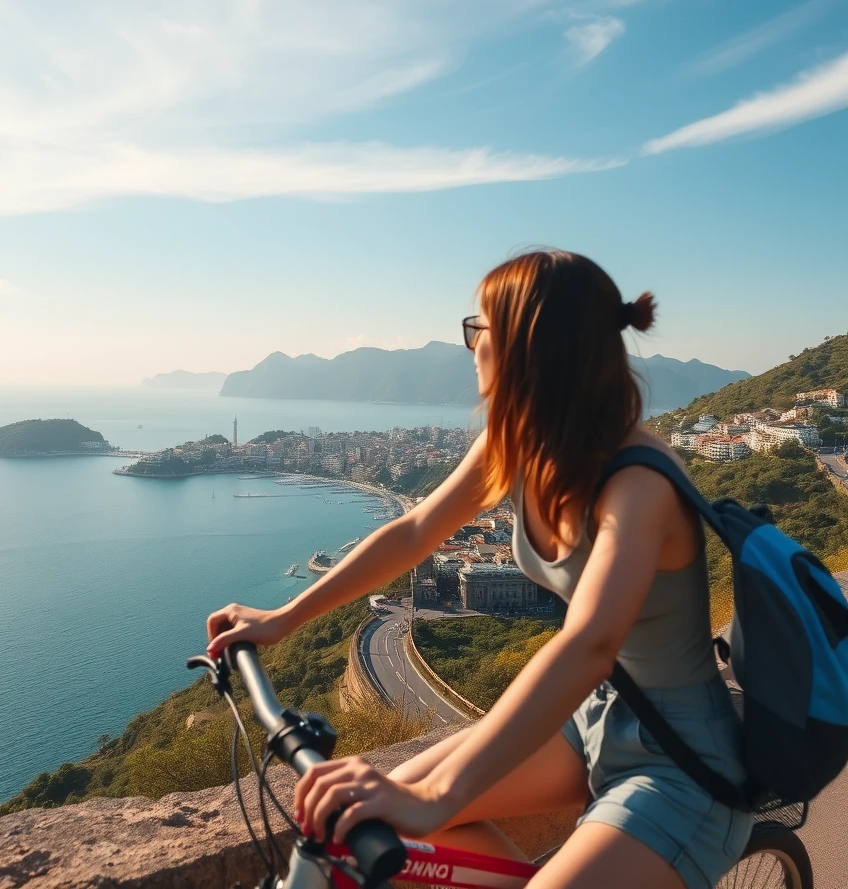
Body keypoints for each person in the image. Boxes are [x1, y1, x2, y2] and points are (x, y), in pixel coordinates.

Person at [206, 250, 754, 889]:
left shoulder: (639, 483)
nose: (470, 345)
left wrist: (439, 794)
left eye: (479, 328)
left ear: (527, 348)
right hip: (593, 719)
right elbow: (412, 532)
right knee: (362, 817)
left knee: (418, 802)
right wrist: (284, 618)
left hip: (684, 765)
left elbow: (591, 642)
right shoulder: (518, 444)